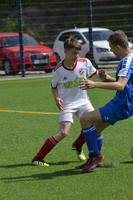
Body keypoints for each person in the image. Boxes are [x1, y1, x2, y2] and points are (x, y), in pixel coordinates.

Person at [31, 36, 104, 166]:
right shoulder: (58, 70)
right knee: (63, 132)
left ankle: (80, 146)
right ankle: (38, 158)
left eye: (78, 53)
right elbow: (53, 87)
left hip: (83, 101)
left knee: (94, 123)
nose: (76, 56)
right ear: (65, 52)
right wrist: (57, 98)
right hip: (68, 104)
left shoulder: (85, 62)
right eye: (73, 53)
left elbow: (96, 74)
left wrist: (105, 77)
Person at [75, 30, 133, 173]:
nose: (111, 50)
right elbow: (125, 84)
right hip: (122, 102)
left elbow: (120, 86)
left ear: (118, 46)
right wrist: (106, 78)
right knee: (95, 129)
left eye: (111, 47)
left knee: (85, 119)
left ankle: (95, 156)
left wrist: (95, 84)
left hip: (122, 105)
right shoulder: (128, 59)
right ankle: (96, 159)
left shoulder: (127, 61)